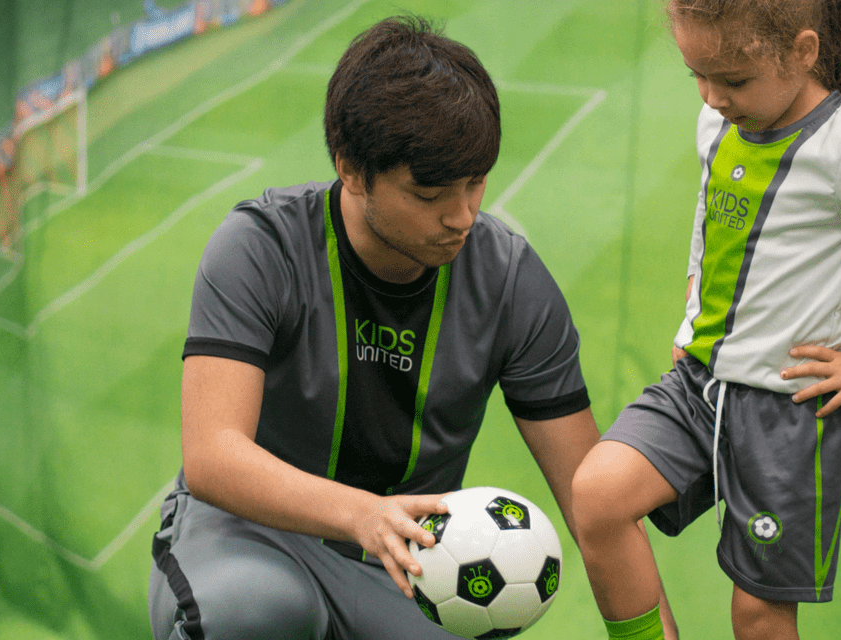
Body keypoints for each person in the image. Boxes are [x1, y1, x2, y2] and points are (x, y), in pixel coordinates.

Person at [148, 16, 669, 640]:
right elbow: (211, 457)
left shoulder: (511, 282)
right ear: (350, 167)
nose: (463, 215)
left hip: (402, 565)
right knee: (254, 613)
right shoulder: (260, 248)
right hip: (247, 532)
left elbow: (593, 500)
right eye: (430, 195)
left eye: (476, 183)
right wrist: (362, 514)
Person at [571, 1, 841, 638]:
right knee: (597, 498)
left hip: (788, 414)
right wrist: (694, 300)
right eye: (696, 76)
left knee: (757, 614)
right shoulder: (718, 120)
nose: (712, 96)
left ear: (803, 51)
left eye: (732, 80)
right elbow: (713, 210)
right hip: (700, 386)